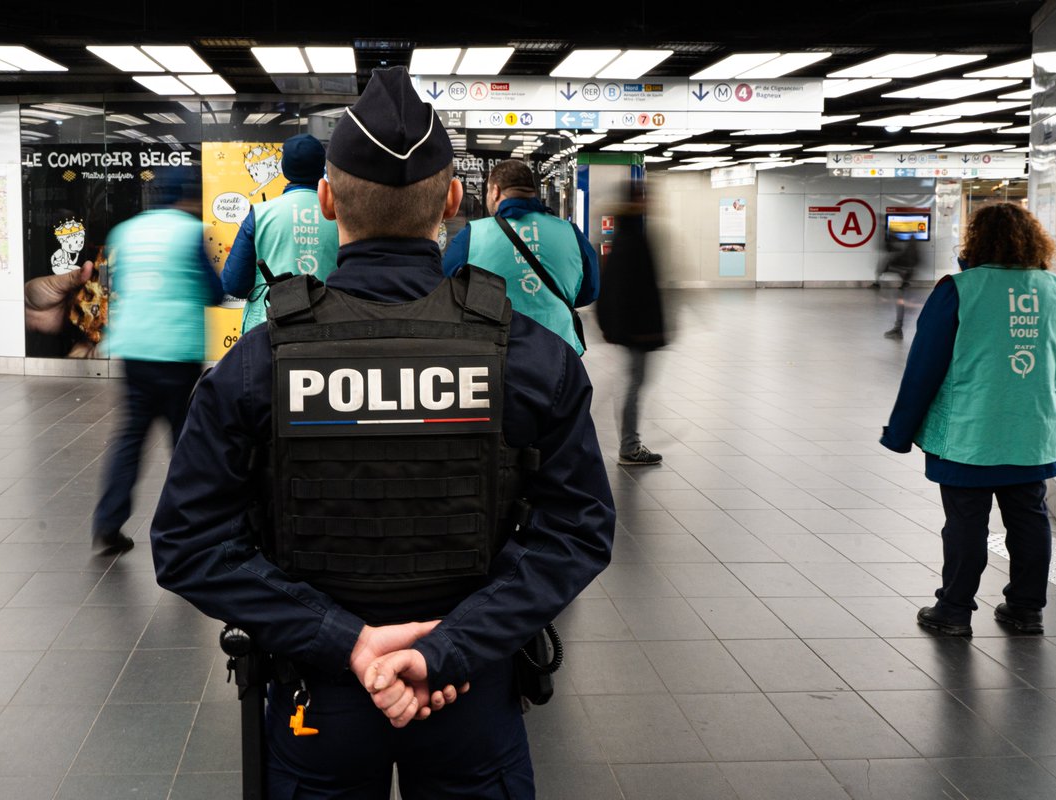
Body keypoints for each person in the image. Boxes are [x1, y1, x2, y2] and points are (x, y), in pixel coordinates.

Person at [149, 66, 615, 799]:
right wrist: (447, 649)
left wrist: (349, 642)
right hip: (471, 690)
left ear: (327, 199)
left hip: (318, 697)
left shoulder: (258, 363)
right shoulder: (530, 357)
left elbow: (187, 543)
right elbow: (579, 531)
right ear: (454, 200)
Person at [880, 202, 1056, 637]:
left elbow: (924, 367)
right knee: (1029, 518)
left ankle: (953, 611)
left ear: (976, 241)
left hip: (967, 433)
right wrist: (1045, 414)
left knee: (967, 522)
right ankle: (1026, 610)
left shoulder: (960, 289)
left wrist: (900, 432)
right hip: (1031, 432)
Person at [92, 168, 223, 554]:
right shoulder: (188, 231)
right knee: (185, 441)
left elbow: (117, 284)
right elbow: (214, 291)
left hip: (133, 347)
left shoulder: (126, 232)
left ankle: (108, 523)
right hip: (176, 351)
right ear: (187, 196)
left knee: (130, 438)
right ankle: (192, 529)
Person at [442, 159, 598, 355]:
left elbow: (445, 288)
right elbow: (590, 291)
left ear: (496, 191)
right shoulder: (571, 233)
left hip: (497, 352)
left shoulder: (473, 235)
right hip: (560, 351)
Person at [222, 133, 340, 333]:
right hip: (327, 330)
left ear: (284, 168)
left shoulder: (259, 215)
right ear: (322, 167)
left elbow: (235, 284)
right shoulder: (341, 217)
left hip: (267, 331)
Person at [596, 184, 667, 465]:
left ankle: (629, 441)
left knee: (632, 382)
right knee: (634, 383)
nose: (650, 202)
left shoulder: (628, 234)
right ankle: (629, 445)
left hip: (634, 329)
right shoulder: (632, 238)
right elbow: (627, 289)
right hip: (637, 330)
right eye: (644, 198)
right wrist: (644, 330)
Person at [879, 233, 919, 339]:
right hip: (905, 283)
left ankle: (898, 330)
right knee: (901, 305)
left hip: (904, 284)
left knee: (900, 305)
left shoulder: (905, 252)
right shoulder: (910, 251)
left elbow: (898, 267)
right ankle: (898, 329)